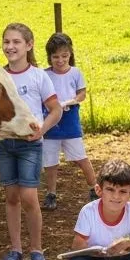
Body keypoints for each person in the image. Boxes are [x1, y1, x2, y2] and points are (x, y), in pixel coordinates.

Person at [0, 23, 62, 260]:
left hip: (30, 145)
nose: (10, 47)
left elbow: (55, 110)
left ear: (29, 45)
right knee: (11, 196)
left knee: (29, 197)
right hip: (4, 144)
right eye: (6, 42)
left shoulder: (38, 76)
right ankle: (15, 250)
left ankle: (36, 250)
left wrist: (41, 131)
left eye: (16, 42)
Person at [41, 32, 98, 210]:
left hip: (69, 118)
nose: (60, 60)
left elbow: (82, 93)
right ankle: (51, 193)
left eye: (64, 56)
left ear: (70, 55)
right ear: (50, 57)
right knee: (50, 161)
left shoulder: (75, 73)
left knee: (80, 158)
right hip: (50, 120)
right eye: (56, 56)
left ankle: (94, 188)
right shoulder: (44, 75)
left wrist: (71, 101)